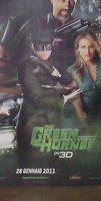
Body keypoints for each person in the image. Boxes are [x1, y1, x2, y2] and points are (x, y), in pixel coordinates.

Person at [16, 24, 75, 159]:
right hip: (34, 120)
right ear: (32, 45)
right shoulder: (26, 66)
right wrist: (63, 100)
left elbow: (67, 78)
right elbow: (37, 98)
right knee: (35, 160)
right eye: (40, 46)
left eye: (47, 46)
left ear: (52, 44)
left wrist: (53, 71)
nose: (44, 51)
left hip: (53, 119)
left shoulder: (51, 61)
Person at [64, 31, 101, 129]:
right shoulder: (72, 71)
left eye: (91, 47)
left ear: (96, 47)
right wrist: (86, 126)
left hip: (97, 115)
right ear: (78, 49)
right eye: (83, 47)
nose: (87, 52)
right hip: (74, 116)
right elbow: (77, 103)